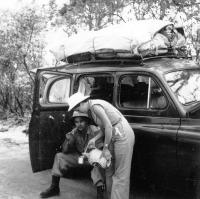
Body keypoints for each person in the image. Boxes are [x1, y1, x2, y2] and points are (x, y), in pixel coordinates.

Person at [67, 92, 135, 199]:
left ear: (81, 103)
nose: (77, 111)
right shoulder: (91, 111)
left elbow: (108, 126)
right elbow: (105, 128)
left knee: (121, 174)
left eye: (77, 108)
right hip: (113, 133)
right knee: (108, 168)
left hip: (122, 133)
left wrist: (106, 148)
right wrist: (94, 139)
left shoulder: (94, 106)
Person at [40, 111, 105, 199]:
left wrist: (91, 154)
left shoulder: (95, 130)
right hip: (80, 157)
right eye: (76, 122)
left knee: (98, 162)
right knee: (59, 157)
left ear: (87, 121)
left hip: (92, 158)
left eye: (81, 121)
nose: (79, 124)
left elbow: (101, 150)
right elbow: (65, 151)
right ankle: (54, 187)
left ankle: (100, 193)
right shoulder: (74, 132)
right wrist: (70, 141)